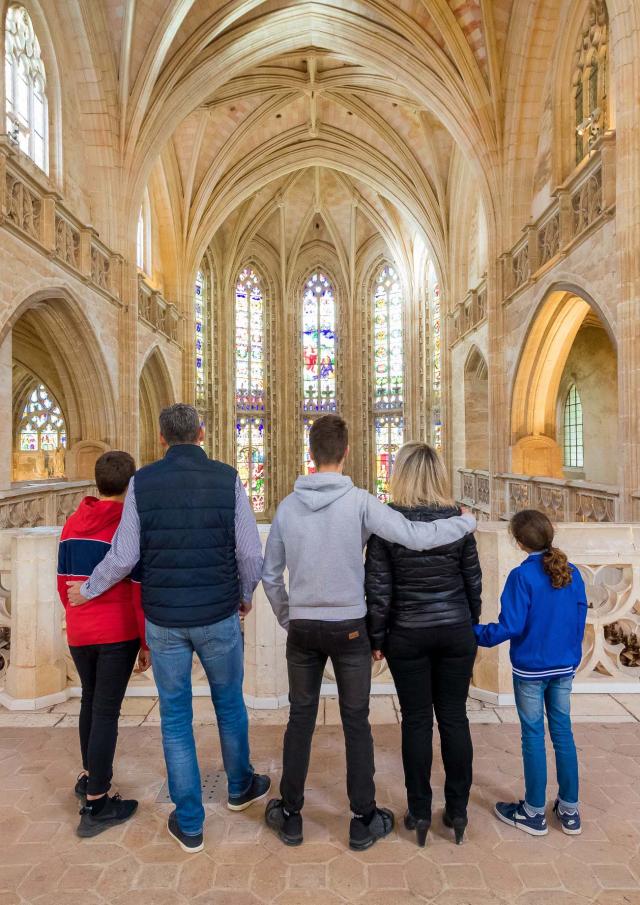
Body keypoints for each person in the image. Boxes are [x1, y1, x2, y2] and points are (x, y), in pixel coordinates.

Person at [261, 414, 476, 852]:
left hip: (303, 628)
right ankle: (363, 819)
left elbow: (269, 575)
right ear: (345, 453)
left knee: (299, 718)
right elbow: (416, 536)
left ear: (311, 453)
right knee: (356, 721)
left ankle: (291, 815)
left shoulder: (286, 506)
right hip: (351, 630)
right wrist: (466, 523)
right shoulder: (360, 502)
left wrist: (289, 617)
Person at [67, 404, 270, 854]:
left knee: (175, 719)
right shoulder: (227, 478)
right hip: (218, 615)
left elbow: (123, 556)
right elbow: (251, 555)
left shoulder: (143, 483)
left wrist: (89, 588)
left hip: (164, 622)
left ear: (162, 439)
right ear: (201, 432)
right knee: (229, 704)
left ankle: (191, 823)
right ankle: (240, 787)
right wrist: (244, 596)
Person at [365, 442, 482, 847]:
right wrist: (469, 626)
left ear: (401, 475)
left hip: (407, 633)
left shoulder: (388, 524)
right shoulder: (459, 522)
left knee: (416, 720)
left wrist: (376, 637)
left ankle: (418, 812)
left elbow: (378, 589)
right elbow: (473, 582)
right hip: (455, 631)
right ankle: (458, 810)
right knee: (454, 718)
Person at [474, 509, 587, 836]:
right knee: (563, 734)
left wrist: (473, 632)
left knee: (534, 735)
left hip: (531, 670)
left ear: (520, 542)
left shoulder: (522, 577)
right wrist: (572, 656)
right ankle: (569, 811)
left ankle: (534, 812)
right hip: (564, 666)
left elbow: (510, 626)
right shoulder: (573, 572)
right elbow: (579, 619)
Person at [57, 451, 150, 838]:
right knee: (106, 712)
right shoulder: (127, 527)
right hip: (116, 632)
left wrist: (77, 612)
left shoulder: (73, 522)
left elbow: (62, 583)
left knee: (90, 702)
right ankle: (97, 801)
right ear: (131, 485)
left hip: (80, 632)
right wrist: (146, 642)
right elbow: (139, 589)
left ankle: (87, 776)